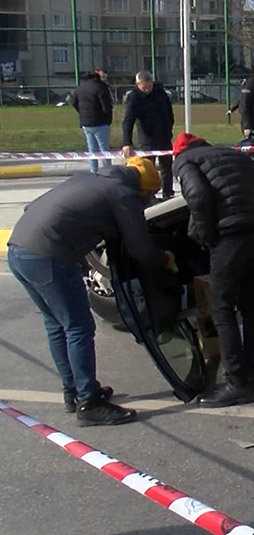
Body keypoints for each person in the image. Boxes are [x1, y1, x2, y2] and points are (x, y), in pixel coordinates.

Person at [7, 157, 173, 425]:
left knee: (56, 325)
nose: (148, 200)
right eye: (149, 195)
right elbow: (140, 248)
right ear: (143, 189)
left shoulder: (89, 179)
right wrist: (164, 259)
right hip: (50, 256)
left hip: (19, 249)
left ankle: (73, 392)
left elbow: (34, 208)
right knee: (78, 327)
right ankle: (89, 404)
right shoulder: (123, 194)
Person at [172, 133, 254, 407]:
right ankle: (250, 373)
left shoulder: (185, 161)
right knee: (249, 303)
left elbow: (197, 195)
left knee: (222, 309)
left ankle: (236, 383)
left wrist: (206, 236)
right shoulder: (234, 155)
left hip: (229, 235)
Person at [121, 71, 176, 198]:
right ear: (137, 84)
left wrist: (168, 129)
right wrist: (126, 142)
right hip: (147, 138)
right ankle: (149, 194)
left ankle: (168, 192)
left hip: (164, 136)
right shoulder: (134, 97)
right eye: (144, 87)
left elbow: (169, 113)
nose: (147, 90)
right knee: (147, 167)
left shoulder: (160, 93)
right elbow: (128, 120)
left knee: (166, 167)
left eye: (149, 86)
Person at [69, 68, 114, 173]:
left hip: (86, 123)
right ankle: (107, 171)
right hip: (100, 122)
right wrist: (108, 119)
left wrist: (81, 112)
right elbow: (106, 106)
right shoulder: (101, 88)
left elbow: (72, 101)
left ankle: (93, 171)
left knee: (92, 149)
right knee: (104, 149)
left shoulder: (80, 88)